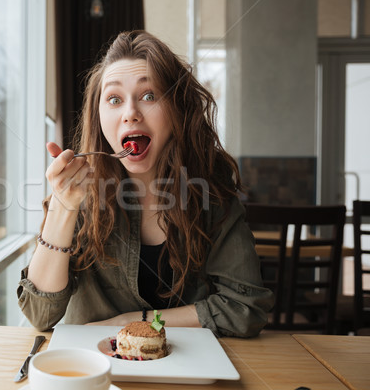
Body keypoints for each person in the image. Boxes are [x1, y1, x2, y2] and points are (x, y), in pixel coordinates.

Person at [17, 30, 273, 337]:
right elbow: (39, 313)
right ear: (99, 117)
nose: (130, 114)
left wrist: (131, 322)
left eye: (149, 96)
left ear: (177, 108)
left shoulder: (211, 190)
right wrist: (63, 206)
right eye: (114, 99)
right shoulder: (78, 191)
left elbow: (245, 308)